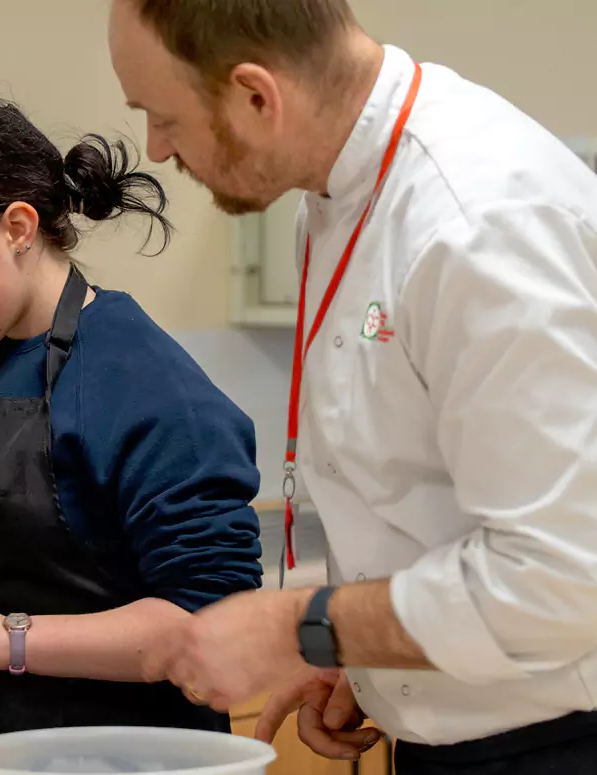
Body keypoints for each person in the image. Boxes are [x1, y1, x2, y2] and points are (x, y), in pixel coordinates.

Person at [107, 1, 597, 773]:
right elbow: (426, 503)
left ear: (256, 96)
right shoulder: (336, 200)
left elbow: (565, 577)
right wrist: (368, 660)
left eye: (161, 117)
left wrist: (300, 624)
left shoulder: (476, 222)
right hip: (452, 733)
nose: (155, 149)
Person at [0, 89, 264, 753]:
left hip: (133, 759)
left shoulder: (145, 384)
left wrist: (4, 638)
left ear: (18, 227)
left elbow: (212, 620)